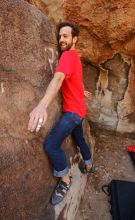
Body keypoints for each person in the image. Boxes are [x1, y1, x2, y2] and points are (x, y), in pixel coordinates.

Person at [28, 21, 96, 205]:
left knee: (51, 144)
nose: (61, 40)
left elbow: (58, 78)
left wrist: (42, 105)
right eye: (59, 36)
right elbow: (75, 79)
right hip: (79, 111)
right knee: (80, 139)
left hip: (73, 113)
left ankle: (65, 181)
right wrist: (81, 91)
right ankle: (89, 164)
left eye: (65, 36)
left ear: (75, 38)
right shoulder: (75, 58)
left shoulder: (67, 56)